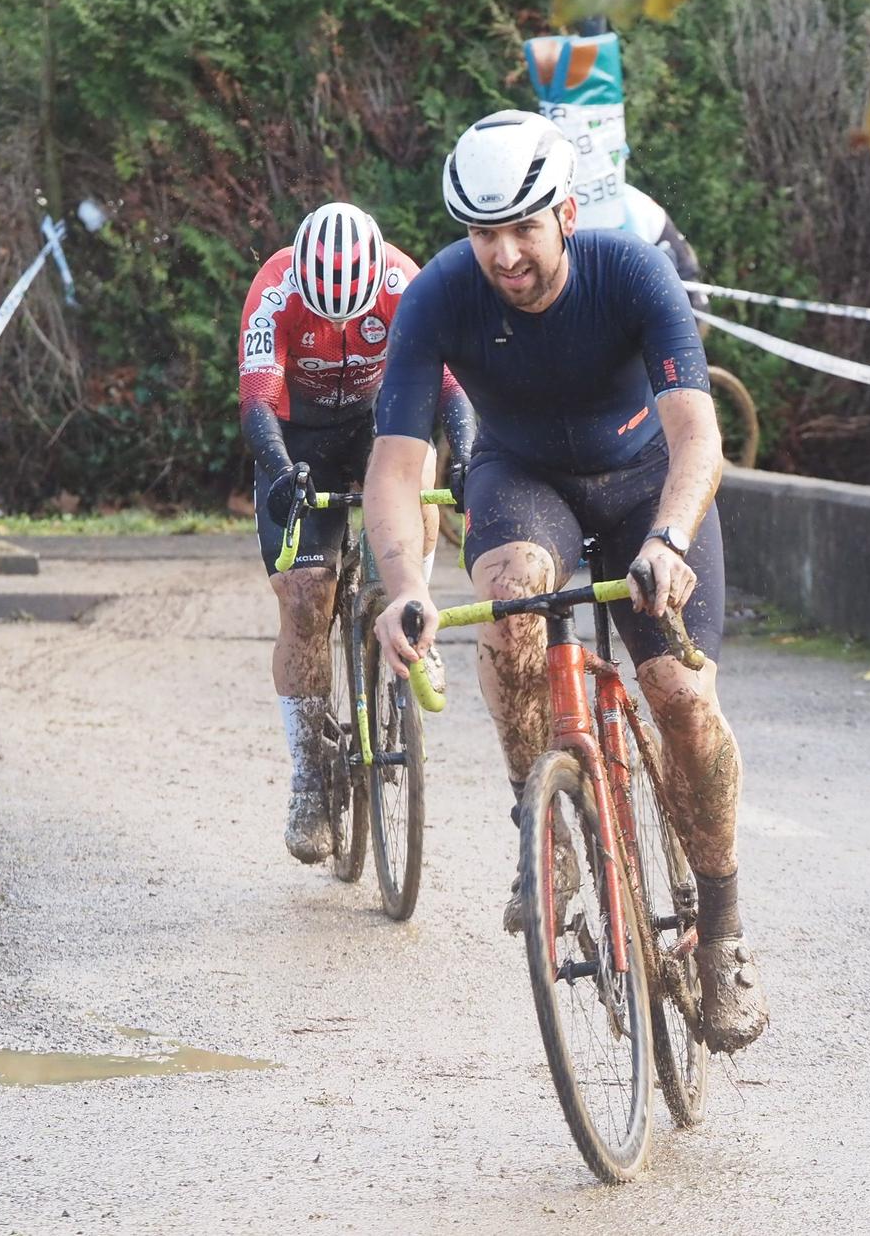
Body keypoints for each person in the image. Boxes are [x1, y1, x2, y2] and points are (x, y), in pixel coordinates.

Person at [363, 110, 769, 1054]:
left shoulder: (633, 271)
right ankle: (540, 821)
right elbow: (394, 466)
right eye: (482, 234)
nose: (503, 255)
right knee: (507, 601)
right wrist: (403, 585)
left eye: (522, 230)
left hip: (643, 485)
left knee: (679, 694)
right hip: (523, 477)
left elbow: (696, 436)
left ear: (567, 214)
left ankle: (722, 934)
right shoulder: (439, 295)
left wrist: (669, 538)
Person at [240, 201, 475, 864]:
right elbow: (257, 404)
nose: (339, 323)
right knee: (306, 594)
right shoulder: (276, 289)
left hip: (380, 422)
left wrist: (467, 449)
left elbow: (452, 389)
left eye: (351, 311)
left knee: (417, 476)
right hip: (301, 436)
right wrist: (282, 473)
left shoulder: (405, 283)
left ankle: (412, 607)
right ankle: (310, 775)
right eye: (327, 312)